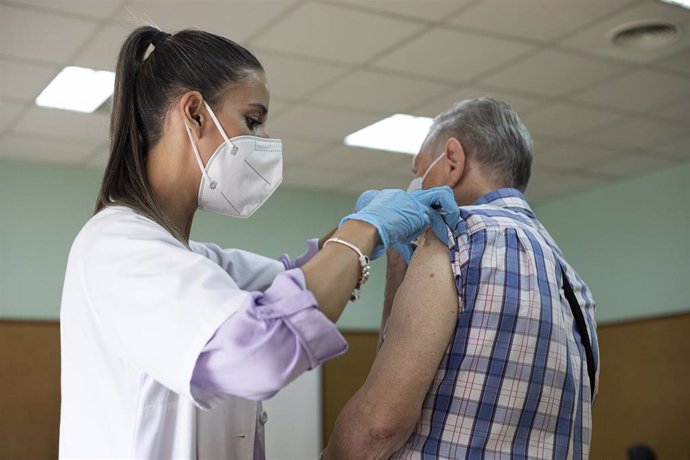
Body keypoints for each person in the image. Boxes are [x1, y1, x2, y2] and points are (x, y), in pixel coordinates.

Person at [58, 26, 458, 460]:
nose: (264, 141)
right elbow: (262, 350)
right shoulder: (116, 247)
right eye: (252, 120)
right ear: (194, 113)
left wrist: (353, 234)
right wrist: (363, 231)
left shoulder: (195, 259)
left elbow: (290, 285)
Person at [324, 98, 599, 459]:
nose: (415, 184)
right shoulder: (573, 286)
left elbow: (380, 423)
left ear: (452, 161)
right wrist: (398, 260)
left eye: (419, 170)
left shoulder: (454, 234)